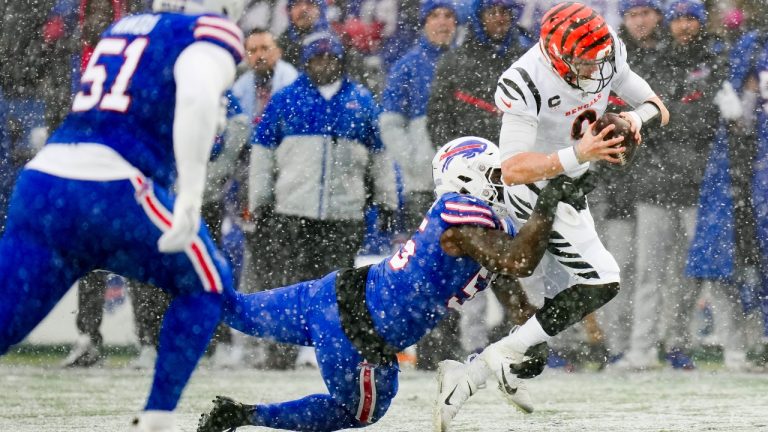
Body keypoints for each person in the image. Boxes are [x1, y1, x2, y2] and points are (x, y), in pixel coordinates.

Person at [197, 136, 594, 432]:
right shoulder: (465, 218)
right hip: (360, 336)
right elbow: (519, 261)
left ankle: (184, 260)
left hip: (334, 294)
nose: (505, 180)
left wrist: (528, 338)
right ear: (467, 175)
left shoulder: (480, 226)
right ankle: (248, 414)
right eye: (495, 173)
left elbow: (509, 279)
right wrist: (550, 199)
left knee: (236, 309)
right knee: (361, 412)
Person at [0, 1, 246, 431]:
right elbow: (195, 96)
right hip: (111, 186)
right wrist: (189, 195)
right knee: (207, 284)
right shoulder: (207, 30)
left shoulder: (126, 25)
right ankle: (157, 418)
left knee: (6, 322)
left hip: (43, 185)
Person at [434, 2, 670, 429]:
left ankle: (483, 367)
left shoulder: (606, 52)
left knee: (570, 302)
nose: (593, 69)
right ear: (555, 54)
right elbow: (513, 168)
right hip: (533, 189)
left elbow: (657, 105)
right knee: (595, 278)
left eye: (596, 59)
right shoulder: (525, 80)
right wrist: (577, 153)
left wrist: (632, 118)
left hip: (569, 189)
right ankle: (494, 358)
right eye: (581, 61)